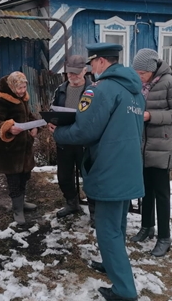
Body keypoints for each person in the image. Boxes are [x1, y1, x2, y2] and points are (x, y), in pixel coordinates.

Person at [49, 43, 145, 301]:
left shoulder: (101, 90)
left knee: (107, 229)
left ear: (102, 61)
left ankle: (124, 291)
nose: (91, 68)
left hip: (109, 168)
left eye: (93, 63)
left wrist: (58, 132)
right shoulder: (134, 90)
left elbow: (85, 131)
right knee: (119, 224)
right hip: (129, 165)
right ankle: (110, 262)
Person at [130, 48, 172, 257]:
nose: (139, 76)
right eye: (136, 73)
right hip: (142, 146)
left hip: (163, 146)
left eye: (142, 73)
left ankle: (164, 237)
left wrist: (151, 116)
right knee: (145, 191)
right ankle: (147, 227)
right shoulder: (140, 84)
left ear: (153, 70)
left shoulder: (171, 83)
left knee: (162, 194)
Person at [0, 71, 38, 225]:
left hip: (24, 147)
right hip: (9, 150)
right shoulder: (0, 100)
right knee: (14, 180)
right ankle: (17, 210)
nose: (23, 91)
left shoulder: (22, 98)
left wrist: (35, 126)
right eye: (20, 88)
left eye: (24, 87)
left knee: (24, 177)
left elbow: (28, 116)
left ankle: (21, 203)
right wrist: (7, 128)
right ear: (11, 86)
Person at [51, 55, 95, 221]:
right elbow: (54, 108)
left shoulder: (93, 90)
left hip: (85, 142)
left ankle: (94, 210)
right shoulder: (61, 89)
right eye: (69, 73)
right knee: (63, 177)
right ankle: (72, 203)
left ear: (85, 70)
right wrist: (51, 121)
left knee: (89, 177)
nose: (72, 76)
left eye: (76, 73)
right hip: (65, 140)